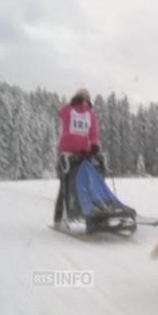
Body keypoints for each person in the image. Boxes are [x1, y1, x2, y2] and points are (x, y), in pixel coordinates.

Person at [53, 88, 100, 226]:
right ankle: (59, 218)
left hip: (82, 155)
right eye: (82, 97)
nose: (85, 99)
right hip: (66, 154)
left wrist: (94, 145)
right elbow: (61, 114)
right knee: (65, 186)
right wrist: (72, 103)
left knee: (82, 186)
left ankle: (82, 215)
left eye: (87, 97)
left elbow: (93, 133)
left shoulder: (91, 114)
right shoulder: (70, 110)